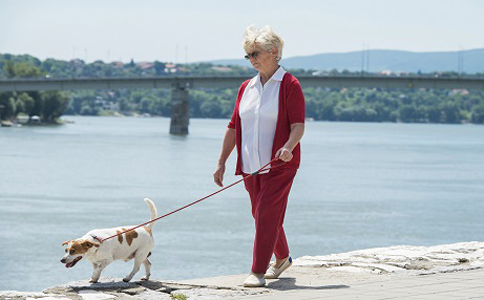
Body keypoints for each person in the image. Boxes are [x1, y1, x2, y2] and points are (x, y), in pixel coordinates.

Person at [213, 25, 305, 287]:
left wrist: (288, 146)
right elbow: (233, 127)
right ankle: (283, 257)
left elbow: (298, 125)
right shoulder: (246, 88)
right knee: (262, 213)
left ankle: (257, 271)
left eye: (256, 53)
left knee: (265, 213)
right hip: (251, 166)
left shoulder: (289, 85)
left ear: (274, 52)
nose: (252, 59)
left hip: (280, 165)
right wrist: (222, 162)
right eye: (248, 55)